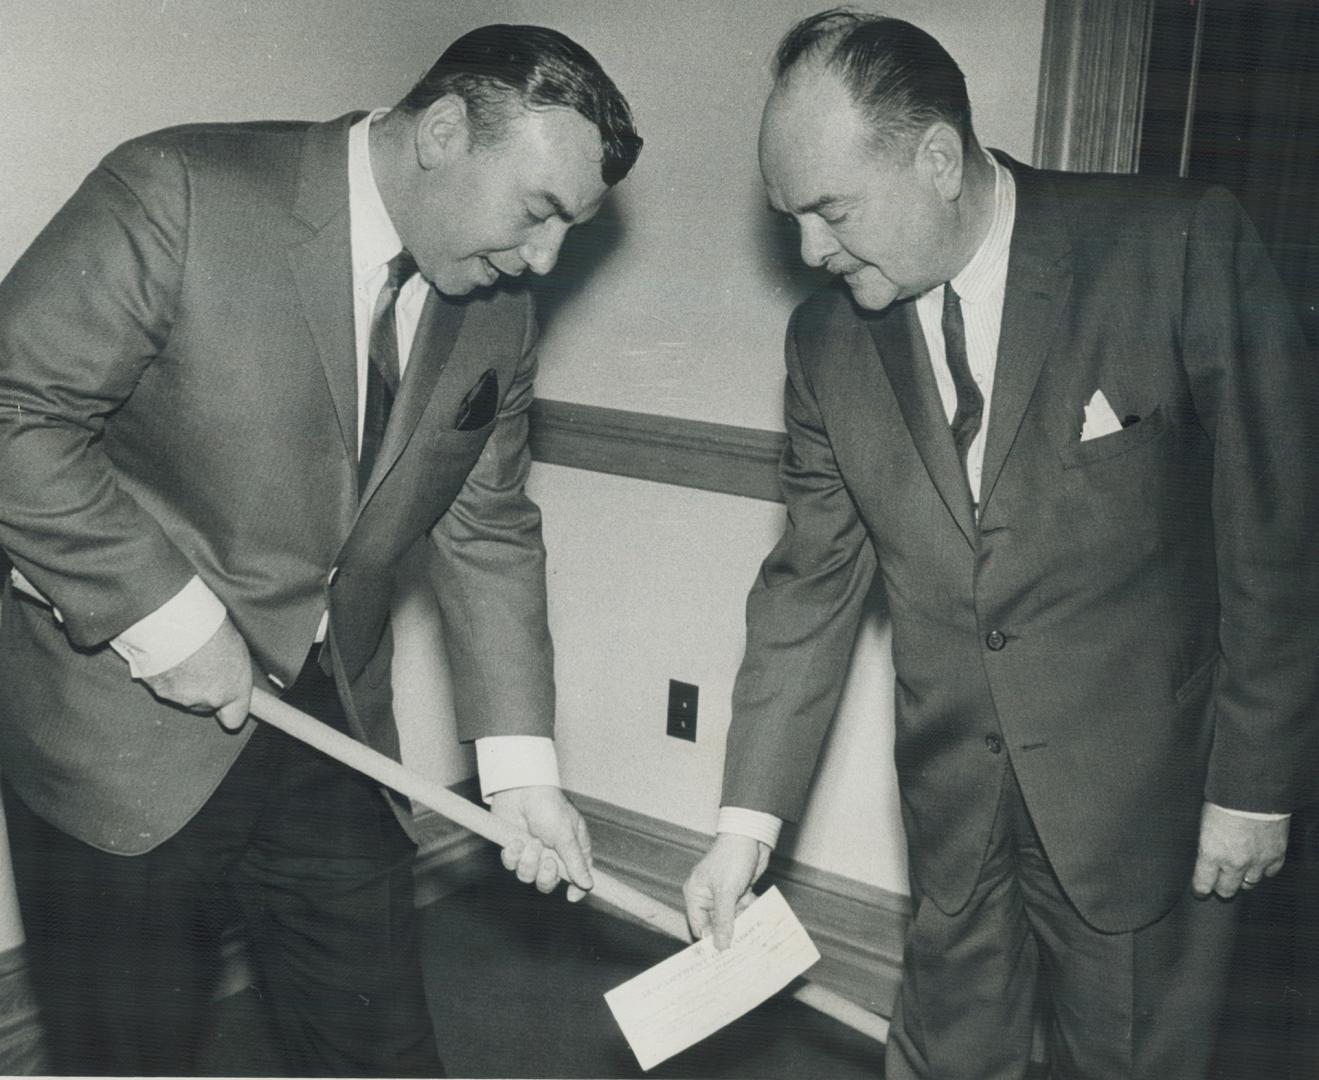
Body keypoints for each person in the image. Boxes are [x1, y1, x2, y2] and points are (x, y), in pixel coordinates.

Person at [683, 9, 1318, 1079]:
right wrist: (744, 827)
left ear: (936, 158)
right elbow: (807, 589)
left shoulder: (1170, 246)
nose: (807, 250)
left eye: (830, 209)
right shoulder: (827, 341)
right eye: (788, 216)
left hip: (1143, 810)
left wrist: (1251, 785)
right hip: (952, 811)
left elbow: (1275, 532)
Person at [0, 23, 640, 1077]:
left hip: (332, 738)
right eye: (538, 211)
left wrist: (521, 771)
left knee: (383, 1053)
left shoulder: (498, 316)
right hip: (119, 746)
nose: (542, 260)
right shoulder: (182, 191)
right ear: (441, 133)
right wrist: (172, 616)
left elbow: (485, 529)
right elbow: (16, 413)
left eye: (571, 227)